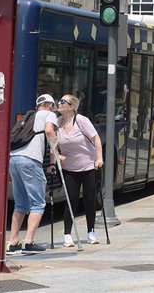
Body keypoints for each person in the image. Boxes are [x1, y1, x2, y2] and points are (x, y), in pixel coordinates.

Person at [6, 94, 58, 255]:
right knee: (37, 203)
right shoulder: (49, 115)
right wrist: (54, 158)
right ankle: (29, 242)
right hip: (30, 160)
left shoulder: (28, 116)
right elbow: (49, 131)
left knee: (20, 204)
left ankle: (13, 242)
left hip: (14, 159)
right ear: (49, 105)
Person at [54, 93, 103, 247]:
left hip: (88, 165)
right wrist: (54, 160)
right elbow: (53, 145)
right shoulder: (58, 122)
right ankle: (67, 235)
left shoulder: (81, 120)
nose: (59, 103)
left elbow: (96, 138)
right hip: (70, 167)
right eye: (59, 101)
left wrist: (99, 158)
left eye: (63, 101)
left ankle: (91, 232)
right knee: (71, 199)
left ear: (71, 107)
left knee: (89, 199)